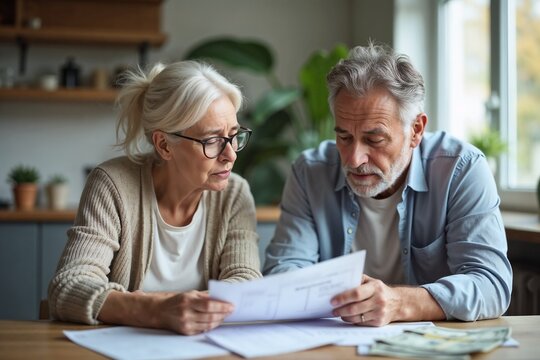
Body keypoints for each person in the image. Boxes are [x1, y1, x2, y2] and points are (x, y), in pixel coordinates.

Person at [263, 42, 512, 325]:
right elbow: (283, 274)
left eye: (374, 139)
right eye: (344, 137)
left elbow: (492, 285)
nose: (355, 159)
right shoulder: (310, 172)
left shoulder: (461, 169)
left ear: (415, 130)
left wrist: (400, 303)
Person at [48, 60, 262, 335]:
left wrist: (196, 312)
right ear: (164, 145)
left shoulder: (235, 193)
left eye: (233, 136)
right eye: (212, 141)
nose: (230, 154)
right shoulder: (113, 185)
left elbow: (246, 282)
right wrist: (157, 311)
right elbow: (68, 286)